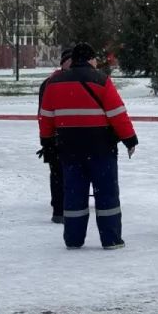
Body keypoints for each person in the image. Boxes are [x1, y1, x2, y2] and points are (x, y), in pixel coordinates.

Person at [38, 42, 138, 249]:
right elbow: (117, 114)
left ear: (73, 60)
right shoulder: (101, 81)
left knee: (74, 193)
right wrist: (130, 139)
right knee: (107, 194)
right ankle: (111, 239)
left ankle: (73, 239)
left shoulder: (54, 83)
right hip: (101, 147)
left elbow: (46, 117)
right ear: (91, 59)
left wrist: (47, 142)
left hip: (69, 147)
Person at [37, 48, 73, 223]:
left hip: (70, 134)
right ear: (63, 63)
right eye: (69, 60)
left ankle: (68, 206)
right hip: (57, 136)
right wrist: (46, 139)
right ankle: (59, 209)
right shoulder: (50, 83)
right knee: (58, 172)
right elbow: (44, 114)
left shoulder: (74, 80)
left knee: (68, 172)